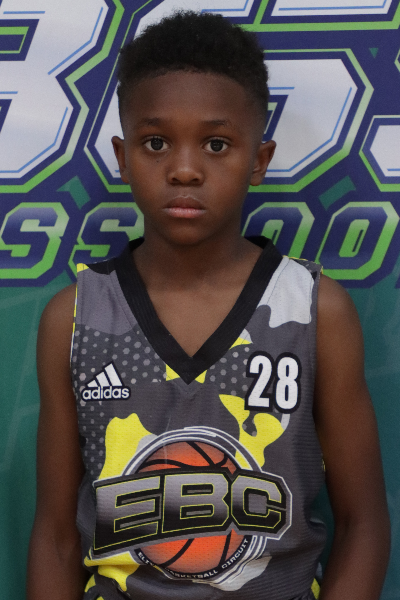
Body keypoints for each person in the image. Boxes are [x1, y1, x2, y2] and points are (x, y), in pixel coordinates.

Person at [27, 10, 390, 600]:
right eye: (156, 143)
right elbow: (56, 538)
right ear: (122, 156)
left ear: (259, 159)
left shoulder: (315, 310)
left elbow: (363, 523)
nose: (185, 170)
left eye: (216, 144)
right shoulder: (73, 318)